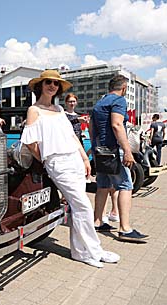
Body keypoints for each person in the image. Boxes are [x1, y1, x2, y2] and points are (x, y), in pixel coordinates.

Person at [21, 69, 119, 268]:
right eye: (48, 82)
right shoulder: (34, 110)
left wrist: (84, 158)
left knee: (78, 207)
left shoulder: (58, 110)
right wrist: (46, 159)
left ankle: (80, 251)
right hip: (57, 162)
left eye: (56, 83)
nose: (52, 86)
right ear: (40, 85)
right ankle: (94, 250)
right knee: (83, 205)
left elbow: (72, 136)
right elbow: (30, 143)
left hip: (73, 158)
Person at [90, 74, 149, 242]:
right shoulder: (119, 101)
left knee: (102, 185)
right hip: (114, 150)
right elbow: (117, 124)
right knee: (125, 186)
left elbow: (92, 129)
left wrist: (95, 150)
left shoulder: (99, 103)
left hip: (100, 151)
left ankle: (97, 221)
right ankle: (125, 228)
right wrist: (127, 151)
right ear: (123, 88)